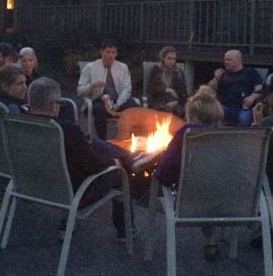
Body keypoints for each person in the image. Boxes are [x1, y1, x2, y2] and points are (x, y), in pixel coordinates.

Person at [28, 77, 138, 241]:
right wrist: (114, 163)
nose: (60, 106)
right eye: (59, 103)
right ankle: (125, 229)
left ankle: (126, 156)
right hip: (74, 194)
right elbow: (94, 166)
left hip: (33, 186)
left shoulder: (20, 125)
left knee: (94, 142)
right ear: (52, 106)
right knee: (121, 172)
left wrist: (83, 144)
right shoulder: (64, 131)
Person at [154, 85, 225, 261]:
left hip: (188, 201)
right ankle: (210, 237)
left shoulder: (186, 134)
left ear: (191, 115)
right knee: (208, 188)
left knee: (158, 183)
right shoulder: (228, 136)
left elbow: (165, 172)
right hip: (229, 202)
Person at [77, 38, 137, 139]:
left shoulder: (123, 67)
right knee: (100, 109)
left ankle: (130, 139)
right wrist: (92, 86)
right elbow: (80, 91)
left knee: (134, 106)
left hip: (117, 100)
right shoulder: (90, 67)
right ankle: (103, 141)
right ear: (101, 51)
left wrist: (119, 103)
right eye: (107, 52)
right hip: (97, 100)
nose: (110, 55)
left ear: (116, 54)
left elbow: (127, 88)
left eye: (113, 52)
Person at [207, 49, 263, 126]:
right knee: (213, 113)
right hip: (226, 107)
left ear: (238, 60)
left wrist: (252, 97)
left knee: (244, 118)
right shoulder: (222, 74)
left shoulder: (251, 73)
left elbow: (260, 89)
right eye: (225, 59)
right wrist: (216, 78)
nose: (226, 62)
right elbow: (209, 90)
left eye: (229, 59)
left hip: (244, 108)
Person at [146, 45, 188, 118]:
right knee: (165, 108)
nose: (171, 61)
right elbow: (150, 89)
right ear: (163, 58)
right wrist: (166, 90)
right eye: (169, 58)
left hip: (175, 101)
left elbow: (184, 93)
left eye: (174, 59)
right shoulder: (156, 71)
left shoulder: (178, 73)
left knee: (179, 110)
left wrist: (176, 102)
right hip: (159, 101)